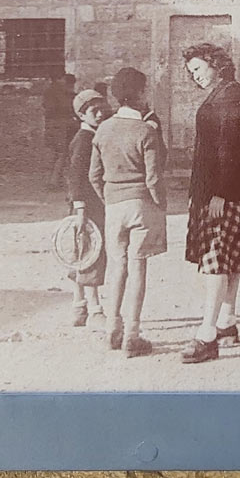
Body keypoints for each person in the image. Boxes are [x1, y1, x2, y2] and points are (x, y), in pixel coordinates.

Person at [181, 42, 240, 364]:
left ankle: (207, 334)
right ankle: (227, 321)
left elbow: (230, 147)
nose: (195, 75)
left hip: (220, 191)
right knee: (231, 255)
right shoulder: (224, 92)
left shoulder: (231, 93)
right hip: (217, 190)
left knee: (215, 259)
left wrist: (220, 193)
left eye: (198, 68)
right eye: (191, 72)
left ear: (214, 64)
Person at [89, 67, 167, 357]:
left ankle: (112, 328)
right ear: (140, 94)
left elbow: (94, 175)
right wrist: (159, 204)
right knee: (137, 268)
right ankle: (132, 334)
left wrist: (109, 198)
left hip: (114, 207)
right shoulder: (147, 130)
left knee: (117, 266)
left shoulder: (103, 129)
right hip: (141, 205)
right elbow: (154, 178)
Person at [65, 88, 109, 328]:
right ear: (82, 115)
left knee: (82, 252)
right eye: (94, 111)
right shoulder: (84, 140)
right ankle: (94, 309)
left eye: (103, 109)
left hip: (88, 206)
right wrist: (80, 208)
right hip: (87, 208)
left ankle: (78, 305)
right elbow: (74, 177)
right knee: (91, 253)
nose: (100, 114)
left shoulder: (93, 135)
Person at [43, 73, 78, 188]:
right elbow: (66, 107)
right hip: (61, 126)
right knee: (61, 153)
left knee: (53, 152)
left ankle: (51, 180)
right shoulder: (62, 93)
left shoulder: (49, 91)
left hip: (50, 125)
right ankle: (54, 181)